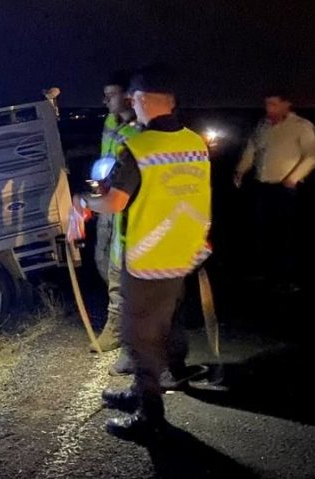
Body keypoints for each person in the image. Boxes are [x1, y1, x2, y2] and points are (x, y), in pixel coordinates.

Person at [73, 65, 213, 440]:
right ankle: (139, 392)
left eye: (134, 98)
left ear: (146, 100)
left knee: (139, 335)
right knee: (162, 327)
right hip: (182, 254)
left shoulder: (138, 146)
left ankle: (150, 413)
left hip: (148, 258)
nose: (131, 105)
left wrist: (82, 202)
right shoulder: (195, 143)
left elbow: (115, 203)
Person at [233, 89, 315, 290]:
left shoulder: (301, 127)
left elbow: (311, 155)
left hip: (285, 188)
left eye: (273, 104)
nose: (268, 108)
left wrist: (293, 178)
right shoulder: (263, 126)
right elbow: (251, 149)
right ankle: (261, 271)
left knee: (285, 234)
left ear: (286, 105)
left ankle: (286, 277)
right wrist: (240, 170)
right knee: (260, 230)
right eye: (267, 104)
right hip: (262, 185)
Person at [94, 70, 141, 358]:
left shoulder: (141, 130)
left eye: (110, 94)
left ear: (127, 96)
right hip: (107, 201)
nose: (105, 101)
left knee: (120, 267)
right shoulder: (111, 121)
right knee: (104, 261)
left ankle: (119, 327)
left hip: (128, 205)